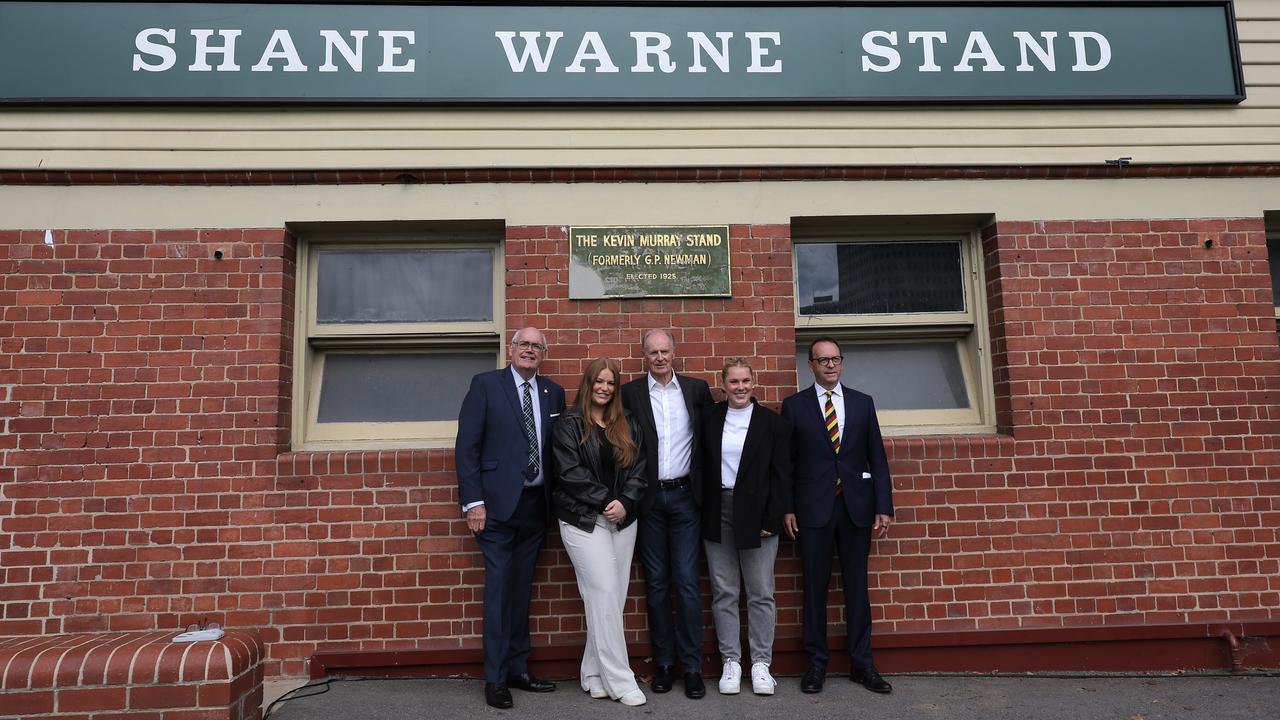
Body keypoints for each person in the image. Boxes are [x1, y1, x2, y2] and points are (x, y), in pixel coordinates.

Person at [455, 327, 566, 710]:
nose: (530, 350)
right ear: (511, 349)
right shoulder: (486, 385)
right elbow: (466, 448)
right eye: (524, 344)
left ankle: (519, 668)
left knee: (522, 592)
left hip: (537, 507)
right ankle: (496, 677)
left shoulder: (553, 392)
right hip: (497, 509)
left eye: (537, 346)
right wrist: (474, 503)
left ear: (543, 353)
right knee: (499, 592)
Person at [780, 337, 895, 696]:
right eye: (822, 360)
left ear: (841, 363)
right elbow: (787, 465)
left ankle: (863, 664)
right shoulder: (794, 406)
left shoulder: (862, 403)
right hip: (813, 509)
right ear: (810, 365)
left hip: (855, 508)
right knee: (815, 588)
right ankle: (816, 664)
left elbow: (876, 457)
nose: (830, 365)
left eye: (835, 359)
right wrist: (787, 507)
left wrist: (883, 504)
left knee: (857, 588)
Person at [620, 330, 713, 698]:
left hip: (686, 498)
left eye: (665, 351)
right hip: (650, 500)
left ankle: (691, 667)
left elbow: (707, 441)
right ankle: (663, 664)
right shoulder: (631, 393)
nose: (660, 357)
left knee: (688, 583)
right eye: (653, 352)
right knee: (656, 584)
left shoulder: (696, 390)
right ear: (644, 355)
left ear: (675, 353)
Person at [552, 358, 649, 707]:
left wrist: (625, 502)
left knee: (610, 598)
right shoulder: (569, 423)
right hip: (582, 520)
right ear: (588, 384)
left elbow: (640, 468)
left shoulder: (627, 423)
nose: (605, 388)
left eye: (611, 383)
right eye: (599, 382)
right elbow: (570, 473)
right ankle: (622, 680)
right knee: (605, 590)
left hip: (623, 519)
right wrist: (607, 500)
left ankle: (593, 673)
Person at [699, 358, 793, 696]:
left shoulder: (771, 423)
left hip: (758, 512)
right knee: (724, 590)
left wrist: (773, 517)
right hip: (718, 509)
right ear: (723, 385)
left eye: (745, 381)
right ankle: (731, 662)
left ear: (754, 383)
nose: (740, 388)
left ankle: (761, 663)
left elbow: (782, 475)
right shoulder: (709, 418)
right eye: (733, 382)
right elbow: (699, 466)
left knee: (760, 591)